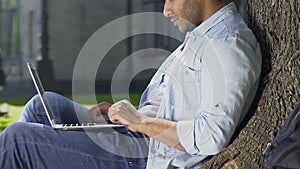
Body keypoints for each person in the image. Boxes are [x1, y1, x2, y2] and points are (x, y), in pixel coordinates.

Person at [0, 0, 261, 168]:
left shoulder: (228, 46)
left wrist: (139, 122)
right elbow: (175, 102)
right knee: (42, 105)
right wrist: (120, 116)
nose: (166, 10)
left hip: (147, 157)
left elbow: (210, 138)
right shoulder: (202, 34)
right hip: (139, 135)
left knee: (16, 141)